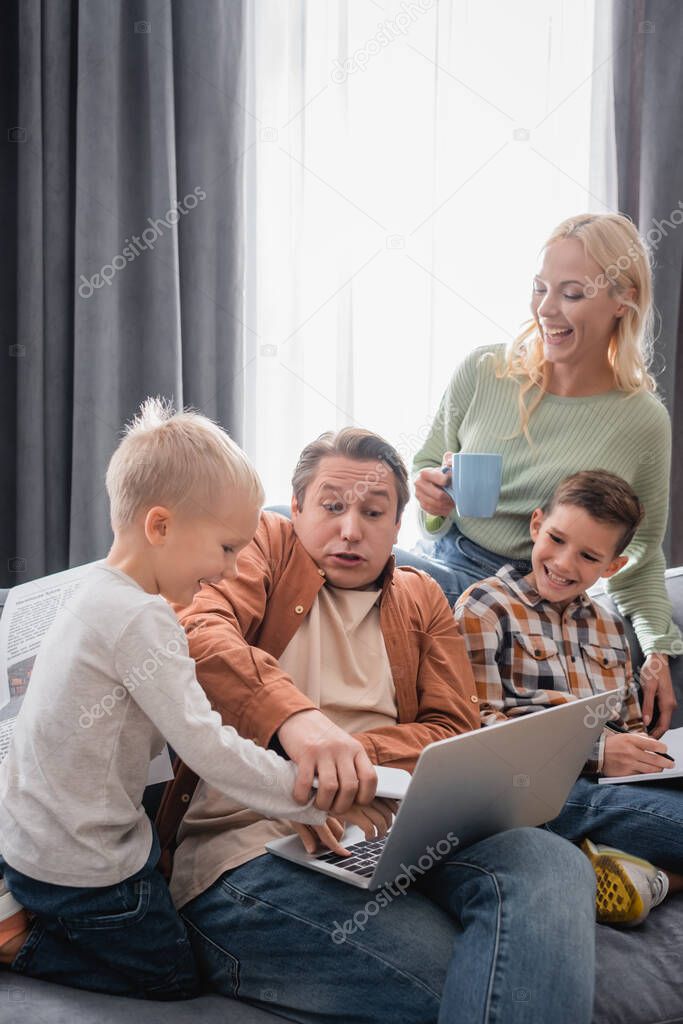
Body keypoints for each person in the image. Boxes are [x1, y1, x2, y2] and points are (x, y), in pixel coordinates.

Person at [155, 427, 598, 1024]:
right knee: (478, 979)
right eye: (332, 507)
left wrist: (345, 758)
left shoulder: (422, 595)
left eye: (372, 512)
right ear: (299, 504)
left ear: (397, 526)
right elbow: (196, 635)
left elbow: (452, 730)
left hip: (397, 832)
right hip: (251, 848)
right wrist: (298, 722)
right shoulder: (261, 543)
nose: (349, 529)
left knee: (550, 861)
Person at [0, 399, 379, 999]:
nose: (230, 572)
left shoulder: (93, 588)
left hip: (26, 844)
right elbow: (207, 746)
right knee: (175, 975)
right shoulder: (143, 619)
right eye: (227, 549)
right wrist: (306, 801)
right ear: (160, 527)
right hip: (87, 871)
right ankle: (21, 940)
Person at [413, 212, 681, 739]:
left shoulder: (642, 419)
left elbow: (641, 554)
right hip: (457, 573)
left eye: (572, 293)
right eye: (540, 289)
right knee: (374, 572)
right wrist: (430, 497)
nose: (545, 309)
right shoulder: (483, 371)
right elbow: (427, 468)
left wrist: (657, 651)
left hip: (549, 596)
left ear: (622, 300)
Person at [455, 470, 683, 927]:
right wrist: (596, 752)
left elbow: (631, 728)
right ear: (536, 524)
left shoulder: (611, 629)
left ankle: (645, 877)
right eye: (556, 539)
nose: (562, 563)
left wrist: (651, 755)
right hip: (537, 793)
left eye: (588, 556)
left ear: (612, 567)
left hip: (611, 787)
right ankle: (646, 874)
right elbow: (474, 731)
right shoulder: (485, 607)